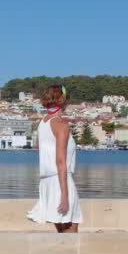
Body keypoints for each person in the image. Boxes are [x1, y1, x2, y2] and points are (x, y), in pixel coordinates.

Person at [27, 84, 82, 232]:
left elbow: (40, 148)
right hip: (60, 182)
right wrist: (65, 195)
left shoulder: (43, 122)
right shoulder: (61, 125)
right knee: (71, 233)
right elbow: (60, 161)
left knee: (62, 233)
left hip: (47, 182)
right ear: (63, 101)